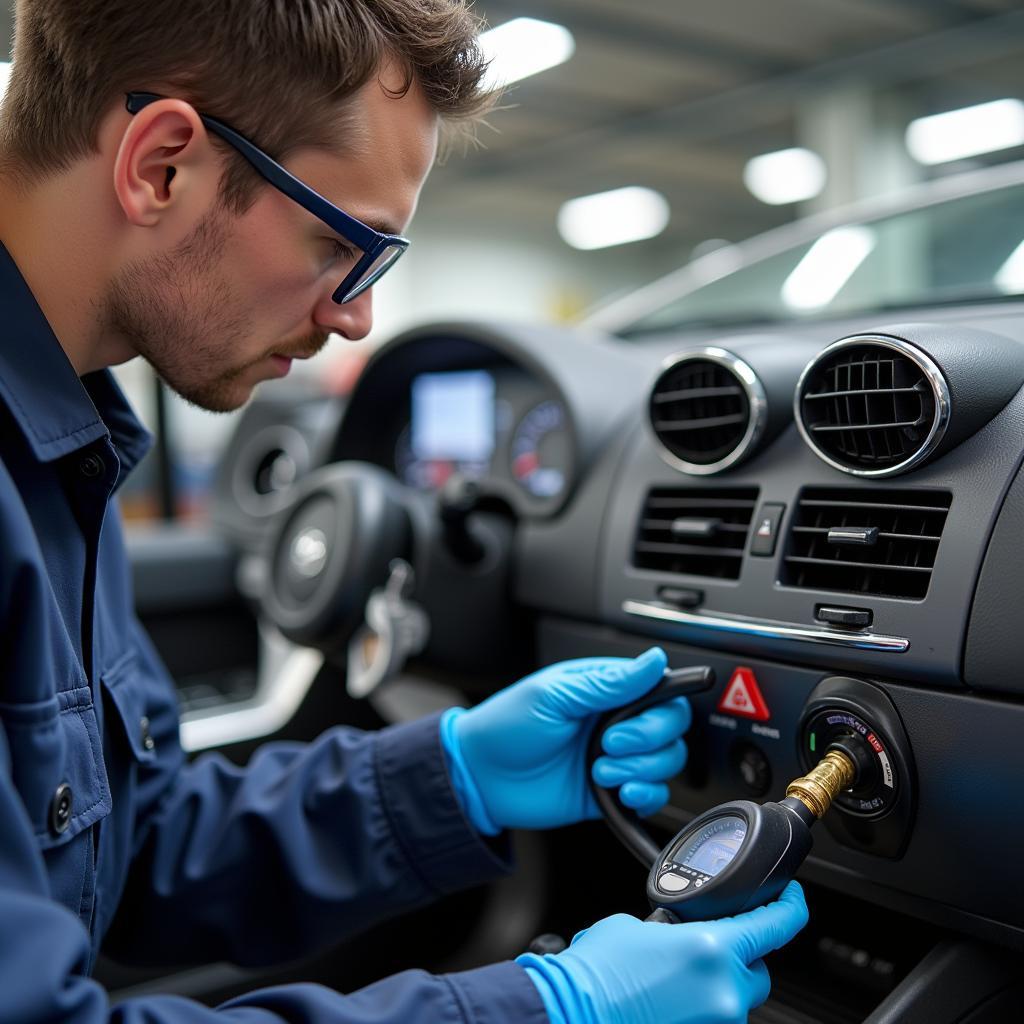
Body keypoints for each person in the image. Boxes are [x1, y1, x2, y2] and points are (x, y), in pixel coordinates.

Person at [0, 2, 809, 1023]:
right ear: (161, 165)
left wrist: (451, 775)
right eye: (348, 243)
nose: (356, 315)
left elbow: (129, 846)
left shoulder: (59, 454)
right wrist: (545, 1007)